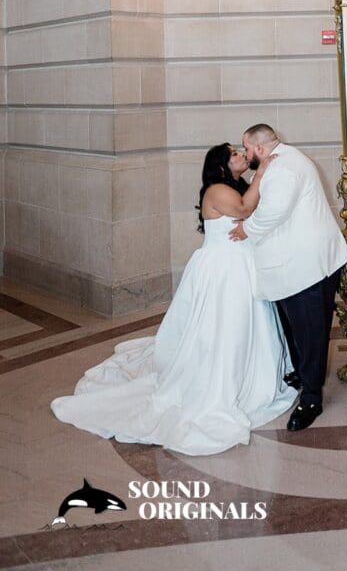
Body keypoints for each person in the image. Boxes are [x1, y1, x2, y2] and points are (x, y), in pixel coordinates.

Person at [50, 143, 296, 456]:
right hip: (222, 270)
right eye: (235, 153)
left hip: (240, 266)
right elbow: (245, 210)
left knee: (245, 327)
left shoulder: (237, 186)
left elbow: (253, 213)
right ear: (220, 165)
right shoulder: (217, 188)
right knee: (222, 326)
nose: (241, 155)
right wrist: (262, 171)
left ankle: (256, 374)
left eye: (240, 151)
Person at [230, 124, 347, 431]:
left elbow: (274, 211)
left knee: (310, 333)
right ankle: (302, 372)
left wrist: (247, 229)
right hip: (295, 266)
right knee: (297, 329)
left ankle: (311, 399)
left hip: (308, 268)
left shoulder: (284, 168)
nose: (245, 154)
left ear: (259, 148)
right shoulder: (283, 161)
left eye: (246, 148)